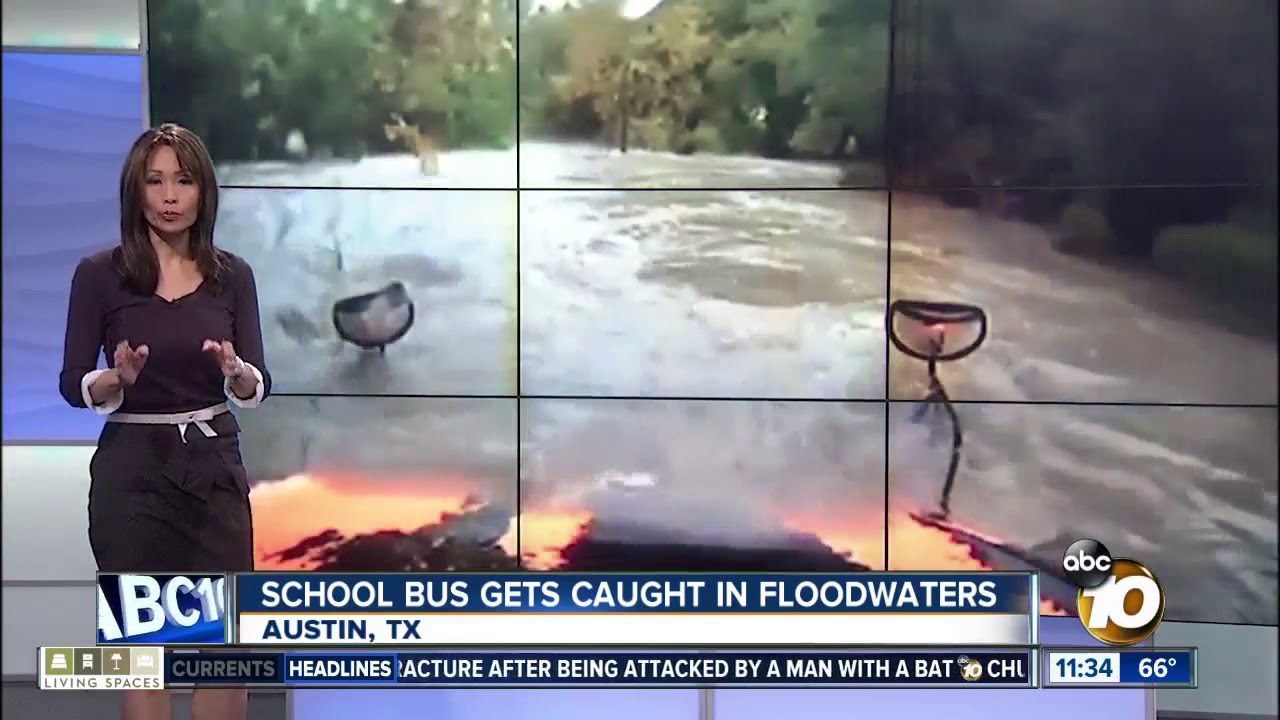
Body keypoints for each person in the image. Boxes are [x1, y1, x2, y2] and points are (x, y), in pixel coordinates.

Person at [58, 123, 270, 720]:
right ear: (136, 190)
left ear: (204, 191)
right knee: (143, 657)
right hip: (133, 474)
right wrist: (115, 379)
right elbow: (72, 382)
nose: (170, 196)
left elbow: (257, 383)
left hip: (212, 471)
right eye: (155, 181)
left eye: (184, 181)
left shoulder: (233, 275)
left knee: (222, 653)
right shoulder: (99, 275)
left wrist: (237, 372)